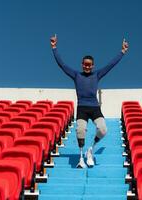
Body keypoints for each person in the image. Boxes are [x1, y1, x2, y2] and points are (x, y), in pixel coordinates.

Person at [50, 34, 129, 168]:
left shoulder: (97, 75)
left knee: (103, 129)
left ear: (93, 66)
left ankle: (90, 150)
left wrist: (122, 52)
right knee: (80, 130)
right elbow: (61, 65)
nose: (87, 67)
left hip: (94, 107)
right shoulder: (76, 75)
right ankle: (81, 158)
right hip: (82, 108)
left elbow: (110, 65)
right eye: (85, 64)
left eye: (89, 65)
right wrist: (54, 48)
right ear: (82, 65)